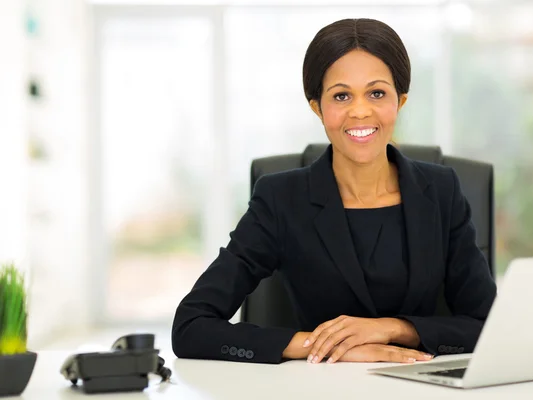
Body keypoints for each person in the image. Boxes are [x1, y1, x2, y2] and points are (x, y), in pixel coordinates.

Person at [171, 18, 497, 365]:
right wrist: (324, 345)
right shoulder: (281, 199)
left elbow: (489, 326)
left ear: (399, 101)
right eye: (341, 96)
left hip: (420, 384)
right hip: (318, 385)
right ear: (318, 107)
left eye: (376, 93)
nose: (359, 110)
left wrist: (392, 329)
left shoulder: (441, 191)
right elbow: (191, 326)